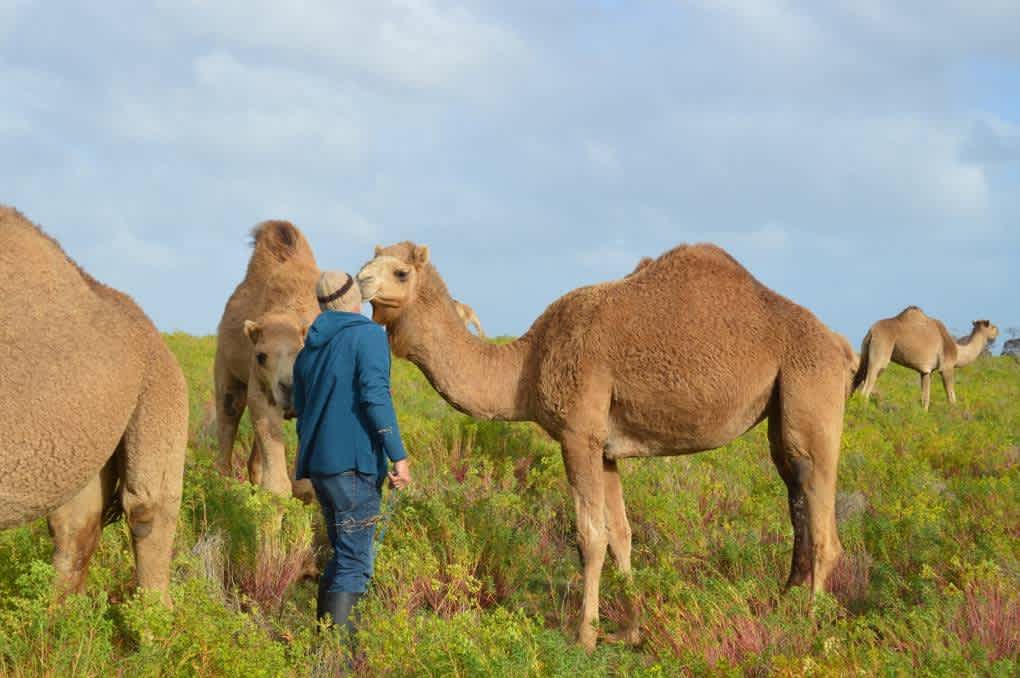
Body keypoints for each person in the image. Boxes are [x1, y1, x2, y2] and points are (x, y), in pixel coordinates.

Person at [292, 270, 412, 634]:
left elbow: (301, 408)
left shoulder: (307, 351)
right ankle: (338, 661)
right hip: (354, 467)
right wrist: (399, 456)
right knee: (354, 561)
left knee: (343, 554)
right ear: (354, 300)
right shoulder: (368, 336)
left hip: (321, 467)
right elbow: (375, 397)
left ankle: (326, 649)